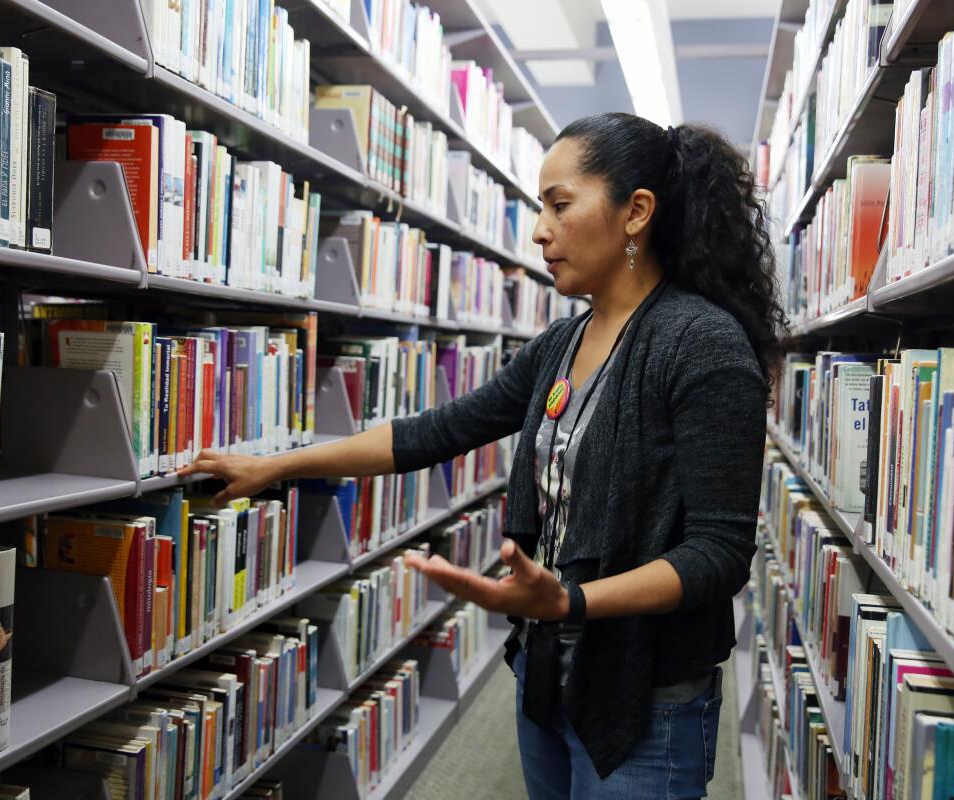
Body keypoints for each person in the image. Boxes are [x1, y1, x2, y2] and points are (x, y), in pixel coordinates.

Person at [179, 111, 786, 799]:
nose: (538, 231)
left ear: (635, 212)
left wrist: (571, 601)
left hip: (644, 698)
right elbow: (434, 432)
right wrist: (280, 466)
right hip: (546, 671)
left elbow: (718, 552)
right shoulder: (561, 343)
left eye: (560, 205)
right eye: (539, 207)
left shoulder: (703, 346)